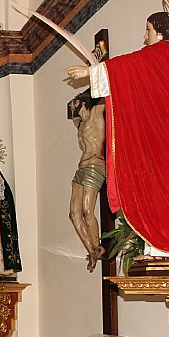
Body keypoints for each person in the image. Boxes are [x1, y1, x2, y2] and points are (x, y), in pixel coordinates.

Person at [66, 12, 169, 255]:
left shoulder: (161, 53)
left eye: (148, 30)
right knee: (76, 212)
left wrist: (89, 72)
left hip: (162, 137)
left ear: (160, 32)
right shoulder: (165, 57)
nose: (145, 36)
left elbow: (125, 67)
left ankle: (161, 245)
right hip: (164, 134)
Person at [68, 92, 106, 272]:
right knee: (74, 214)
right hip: (81, 169)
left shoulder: (96, 116)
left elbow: (105, 94)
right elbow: (75, 118)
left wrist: (96, 76)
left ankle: (98, 246)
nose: (72, 106)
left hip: (95, 166)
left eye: (75, 103)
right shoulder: (80, 124)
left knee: (86, 210)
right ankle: (92, 250)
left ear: (84, 104)